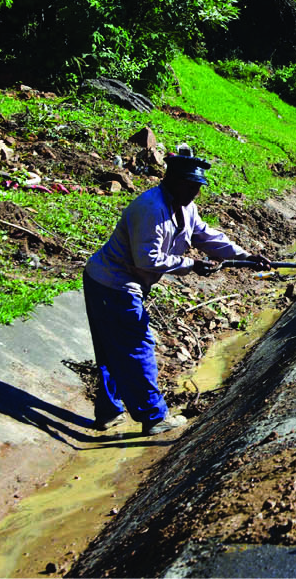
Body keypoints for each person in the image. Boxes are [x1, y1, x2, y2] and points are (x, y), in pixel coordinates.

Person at [82, 151, 271, 435]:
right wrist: (191, 264)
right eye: (189, 184)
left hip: (115, 282)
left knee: (114, 349)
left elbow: (207, 237)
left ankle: (109, 411)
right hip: (113, 284)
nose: (194, 191)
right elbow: (146, 258)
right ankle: (154, 417)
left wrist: (246, 257)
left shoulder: (186, 207)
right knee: (136, 346)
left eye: (198, 186)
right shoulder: (151, 208)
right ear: (170, 180)